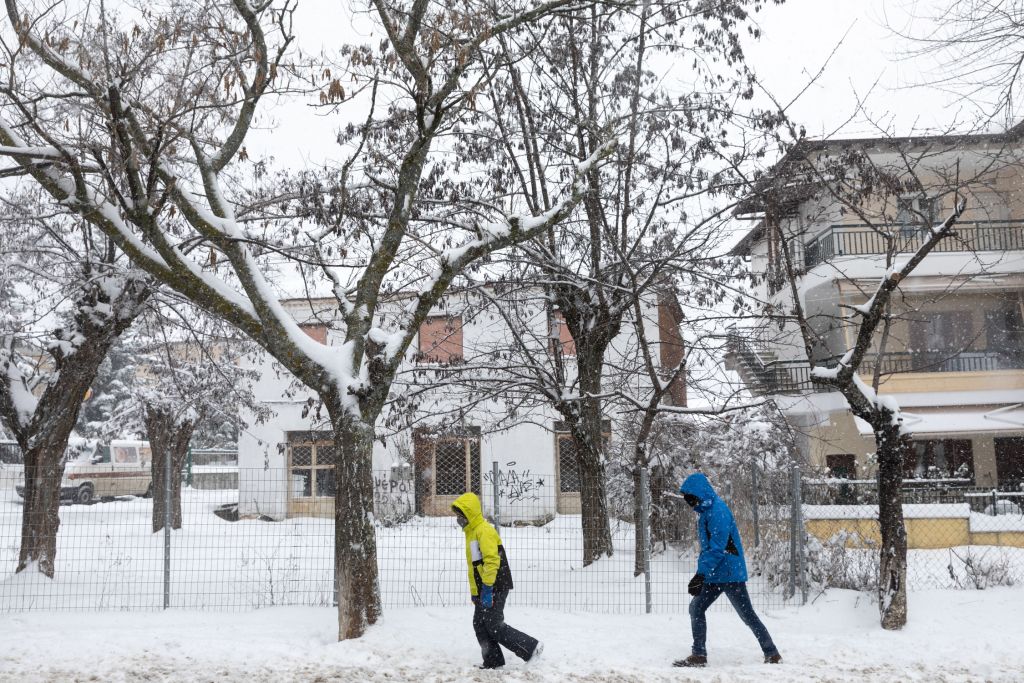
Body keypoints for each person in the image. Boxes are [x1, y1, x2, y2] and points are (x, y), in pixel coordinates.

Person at [674, 472, 782, 668]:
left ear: (700, 494)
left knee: (747, 615)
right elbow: (709, 549)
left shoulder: (718, 512)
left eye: (692, 498)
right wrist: (703, 573)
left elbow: (717, 548)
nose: (690, 504)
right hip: (716, 573)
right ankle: (699, 655)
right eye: (688, 500)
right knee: (696, 608)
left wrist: (700, 574)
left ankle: (772, 653)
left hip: (730, 574)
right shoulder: (706, 512)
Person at [452, 491, 543, 669]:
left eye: (460, 515)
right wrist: (475, 592)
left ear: (469, 514)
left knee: (494, 624)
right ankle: (493, 661)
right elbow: (474, 567)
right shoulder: (471, 533)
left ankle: (531, 648)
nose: (458, 519)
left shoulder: (484, 531)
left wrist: (487, 588)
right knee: (480, 624)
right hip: (484, 586)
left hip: (495, 584)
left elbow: (492, 561)